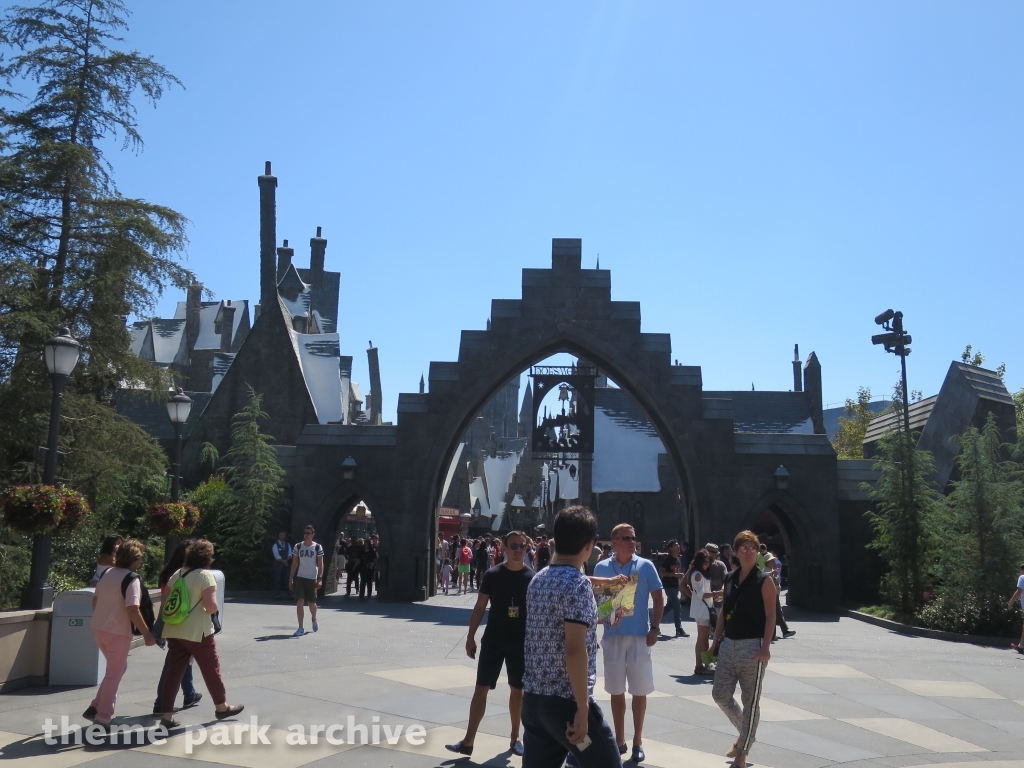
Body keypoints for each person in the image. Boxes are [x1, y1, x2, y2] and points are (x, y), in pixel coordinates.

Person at [521, 506, 621, 768]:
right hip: (565, 701)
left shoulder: (538, 579)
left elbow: (555, 626)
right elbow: (574, 650)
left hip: (534, 700)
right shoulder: (578, 584)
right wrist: (583, 708)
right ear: (590, 546)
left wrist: (602, 616)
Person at [446, 531, 536, 758]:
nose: (518, 549)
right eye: (513, 545)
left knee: (518, 691)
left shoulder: (532, 577)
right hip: (494, 639)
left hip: (520, 641)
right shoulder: (492, 574)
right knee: (481, 688)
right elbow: (479, 607)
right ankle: (468, 741)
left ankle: (515, 738)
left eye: (522, 546)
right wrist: (470, 636)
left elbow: (538, 613)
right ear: (504, 547)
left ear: (526, 549)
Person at [593, 523, 664, 763]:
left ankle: (638, 741)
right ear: (614, 542)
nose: (631, 541)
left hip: (639, 636)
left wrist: (654, 628)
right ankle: (620, 739)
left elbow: (658, 597)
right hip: (612, 636)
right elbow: (598, 602)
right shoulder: (602, 566)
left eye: (633, 537)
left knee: (640, 689)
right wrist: (604, 616)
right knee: (616, 690)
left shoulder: (646, 565)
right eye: (626, 538)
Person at [160, 539, 244, 729]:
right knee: (210, 669)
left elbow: (166, 601)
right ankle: (221, 706)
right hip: (199, 632)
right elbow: (210, 605)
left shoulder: (177, 574)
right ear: (208, 556)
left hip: (174, 629)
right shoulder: (206, 576)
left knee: (174, 672)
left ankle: (167, 716)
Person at [711, 531, 776, 768]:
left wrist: (766, 647)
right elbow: (723, 614)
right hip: (729, 644)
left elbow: (771, 616)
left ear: (758, 552)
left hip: (753, 646)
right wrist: (716, 640)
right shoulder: (730, 577)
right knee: (720, 695)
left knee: (750, 701)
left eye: (752, 548)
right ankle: (747, 733)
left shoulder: (764, 580)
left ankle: (742, 753)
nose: (748, 551)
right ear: (736, 552)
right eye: (743, 548)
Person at [82, 538, 157, 726]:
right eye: (140, 558)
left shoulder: (107, 573)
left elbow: (95, 601)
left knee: (116, 669)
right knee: (114, 674)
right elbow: (132, 608)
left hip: (99, 629)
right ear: (135, 559)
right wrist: (146, 633)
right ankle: (102, 717)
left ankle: (95, 706)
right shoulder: (132, 579)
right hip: (118, 633)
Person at [152, 539, 201, 714]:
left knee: (181, 659)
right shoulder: (183, 573)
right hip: (181, 621)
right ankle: (161, 702)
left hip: (170, 618)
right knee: (174, 663)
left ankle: (189, 693)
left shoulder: (169, 572)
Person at [686, 549, 719, 675]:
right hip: (702, 610)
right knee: (702, 638)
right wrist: (717, 593)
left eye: (709, 562)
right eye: (705, 562)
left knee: (705, 638)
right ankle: (699, 666)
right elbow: (701, 594)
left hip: (704, 608)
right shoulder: (697, 574)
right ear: (700, 562)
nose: (707, 564)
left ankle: (705, 663)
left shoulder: (700, 573)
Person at [289, 525, 324, 635]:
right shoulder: (298, 546)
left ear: (313, 535)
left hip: (312, 577)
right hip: (300, 577)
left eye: (308, 533)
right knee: (299, 601)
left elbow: (320, 564)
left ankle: (314, 618)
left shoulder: (317, 547)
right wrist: (291, 578)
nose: (306, 535)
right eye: (305, 533)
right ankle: (300, 627)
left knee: (311, 603)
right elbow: (294, 563)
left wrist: (320, 578)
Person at [758, 544, 794, 639]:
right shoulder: (766, 570)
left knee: (776, 612)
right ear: (768, 562)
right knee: (773, 613)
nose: (774, 561)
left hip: (775, 594)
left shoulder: (772, 570)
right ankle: (774, 633)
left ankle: (778, 632)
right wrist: (772, 574)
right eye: (772, 561)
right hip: (770, 595)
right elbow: (763, 576)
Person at [659, 540, 689, 638]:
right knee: (677, 606)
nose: (678, 547)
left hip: (675, 586)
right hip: (669, 585)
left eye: (678, 545)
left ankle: (654, 624)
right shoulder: (668, 560)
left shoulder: (677, 559)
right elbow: (661, 572)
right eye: (676, 546)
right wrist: (674, 575)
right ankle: (679, 629)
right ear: (671, 548)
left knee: (670, 606)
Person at [705, 543, 728, 610]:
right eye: (710, 555)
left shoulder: (720, 565)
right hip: (703, 605)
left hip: (717, 604)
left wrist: (721, 592)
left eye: (714, 555)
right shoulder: (698, 566)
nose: (713, 557)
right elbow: (684, 582)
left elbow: (726, 580)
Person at [1008, 563, 1024, 654]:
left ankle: (1021, 646)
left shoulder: (1022, 578)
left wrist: (1010, 602)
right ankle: (1021, 646)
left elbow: (1019, 591)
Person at [272, 531, 292, 599]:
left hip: (286, 564)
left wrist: (286, 560)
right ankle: (277, 594)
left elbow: (290, 554)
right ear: (279, 536)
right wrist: (283, 561)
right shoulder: (275, 545)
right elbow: (277, 555)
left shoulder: (287, 544)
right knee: (278, 579)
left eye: (283, 535)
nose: (282, 536)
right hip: (278, 564)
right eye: (281, 535)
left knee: (287, 579)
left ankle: (290, 594)